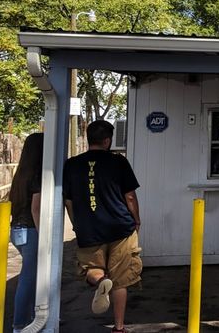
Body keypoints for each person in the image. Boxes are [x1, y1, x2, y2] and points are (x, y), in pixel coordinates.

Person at [63, 120, 141, 333]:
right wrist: (137, 219)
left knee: (91, 269)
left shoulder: (71, 164)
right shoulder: (119, 162)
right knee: (121, 280)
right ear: (107, 140)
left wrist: (77, 224)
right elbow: (130, 196)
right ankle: (118, 327)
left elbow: (68, 201)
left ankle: (101, 281)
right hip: (120, 228)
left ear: (89, 139)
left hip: (89, 229)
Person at [8, 133, 44, 332]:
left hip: (17, 230)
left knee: (29, 276)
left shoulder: (21, 173)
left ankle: (30, 316)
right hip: (31, 230)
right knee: (29, 277)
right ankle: (20, 323)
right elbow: (36, 208)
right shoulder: (38, 175)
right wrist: (44, 235)